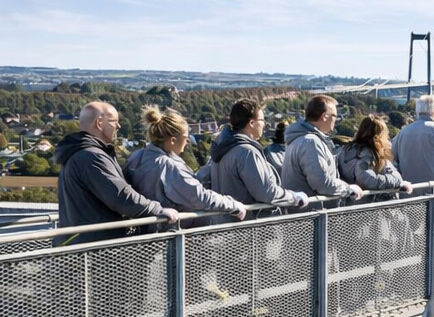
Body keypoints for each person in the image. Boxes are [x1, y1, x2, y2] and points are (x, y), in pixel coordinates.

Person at [57, 100, 179, 239]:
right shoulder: (91, 157)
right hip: (95, 247)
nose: (118, 126)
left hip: (84, 242)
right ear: (99, 123)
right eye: (114, 121)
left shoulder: (79, 152)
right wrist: (158, 210)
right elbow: (121, 196)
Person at [125, 105, 247, 221]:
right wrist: (232, 205)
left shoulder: (136, 156)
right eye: (185, 137)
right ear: (172, 140)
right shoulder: (169, 165)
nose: (188, 141)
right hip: (168, 235)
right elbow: (199, 197)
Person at [197, 99, 310, 212]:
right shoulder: (247, 152)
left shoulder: (223, 147)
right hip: (250, 224)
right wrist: (295, 197)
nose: (264, 124)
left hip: (225, 222)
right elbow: (266, 192)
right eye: (262, 120)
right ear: (251, 123)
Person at [281, 95, 364, 202]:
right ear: (324, 116)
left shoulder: (297, 139)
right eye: (335, 116)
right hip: (315, 214)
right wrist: (348, 189)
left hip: (306, 212)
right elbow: (322, 183)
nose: (336, 120)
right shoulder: (311, 142)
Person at [338, 114, 413, 196]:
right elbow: (367, 180)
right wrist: (397, 182)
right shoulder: (365, 154)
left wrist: (397, 180)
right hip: (362, 203)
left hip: (348, 203)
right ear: (379, 136)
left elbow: (393, 173)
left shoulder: (346, 149)